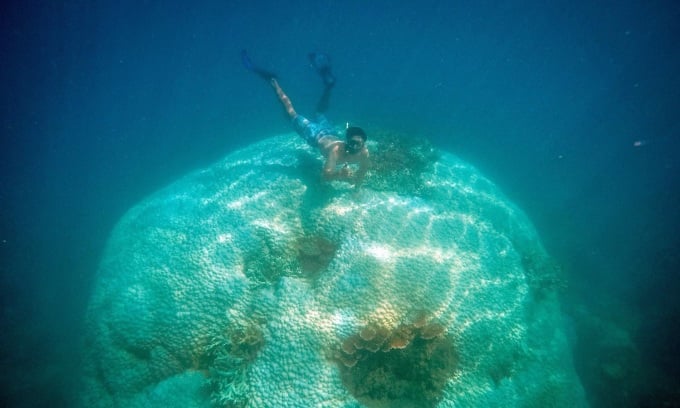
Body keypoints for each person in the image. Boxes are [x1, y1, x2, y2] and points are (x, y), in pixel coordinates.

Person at [242, 50, 370, 187]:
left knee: (319, 112)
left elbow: (362, 170)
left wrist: (357, 189)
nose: (355, 147)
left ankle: (328, 86)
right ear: (346, 141)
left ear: (364, 144)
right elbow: (324, 177)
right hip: (314, 134)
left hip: (329, 132)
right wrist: (340, 176)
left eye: (358, 144)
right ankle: (273, 82)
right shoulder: (336, 151)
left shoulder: (364, 153)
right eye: (353, 142)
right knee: (290, 112)